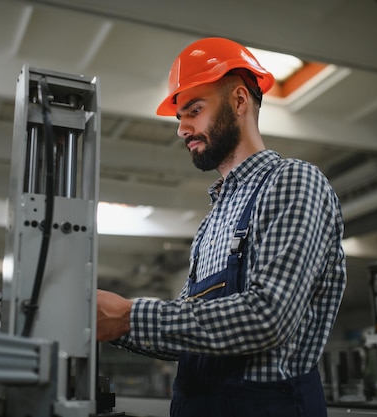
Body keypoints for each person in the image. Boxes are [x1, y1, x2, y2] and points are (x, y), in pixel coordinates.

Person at [96, 37, 346, 417]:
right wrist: (110, 323)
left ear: (240, 101)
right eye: (180, 117)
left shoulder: (293, 181)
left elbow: (268, 317)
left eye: (194, 110)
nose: (182, 129)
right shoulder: (213, 221)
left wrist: (129, 315)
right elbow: (186, 333)